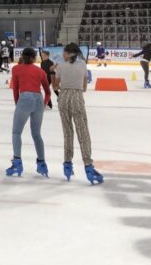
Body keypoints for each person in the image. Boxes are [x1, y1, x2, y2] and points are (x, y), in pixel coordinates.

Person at [53, 44, 103, 184]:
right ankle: (88, 165)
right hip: (76, 97)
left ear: (68, 53)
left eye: (64, 53)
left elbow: (55, 86)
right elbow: (85, 87)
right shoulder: (82, 65)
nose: (63, 55)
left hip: (63, 98)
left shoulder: (61, 66)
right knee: (83, 132)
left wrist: (53, 73)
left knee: (67, 132)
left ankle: (67, 164)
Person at [6, 47, 52, 178]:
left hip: (24, 99)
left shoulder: (16, 69)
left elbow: (15, 89)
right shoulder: (40, 71)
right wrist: (43, 105)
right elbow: (48, 92)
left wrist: (18, 104)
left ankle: (17, 162)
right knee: (37, 134)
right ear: (33, 58)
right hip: (38, 100)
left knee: (16, 132)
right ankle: (42, 163)